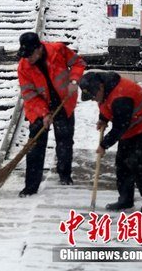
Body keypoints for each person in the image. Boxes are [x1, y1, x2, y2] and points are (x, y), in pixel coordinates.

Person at [79, 71, 142, 213]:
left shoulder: (121, 96)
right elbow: (106, 106)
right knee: (122, 163)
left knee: (135, 161)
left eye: (93, 96)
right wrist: (103, 119)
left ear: (100, 87)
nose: (93, 100)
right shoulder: (105, 90)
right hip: (130, 127)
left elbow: (120, 126)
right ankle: (125, 200)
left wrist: (104, 145)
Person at [16, 32, 85, 197]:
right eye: (24, 56)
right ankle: (31, 186)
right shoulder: (24, 67)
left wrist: (74, 81)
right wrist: (44, 113)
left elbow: (78, 63)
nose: (28, 59)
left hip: (64, 101)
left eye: (30, 55)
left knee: (64, 139)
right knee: (35, 145)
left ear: (39, 49)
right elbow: (30, 96)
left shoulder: (58, 50)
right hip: (41, 106)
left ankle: (64, 174)